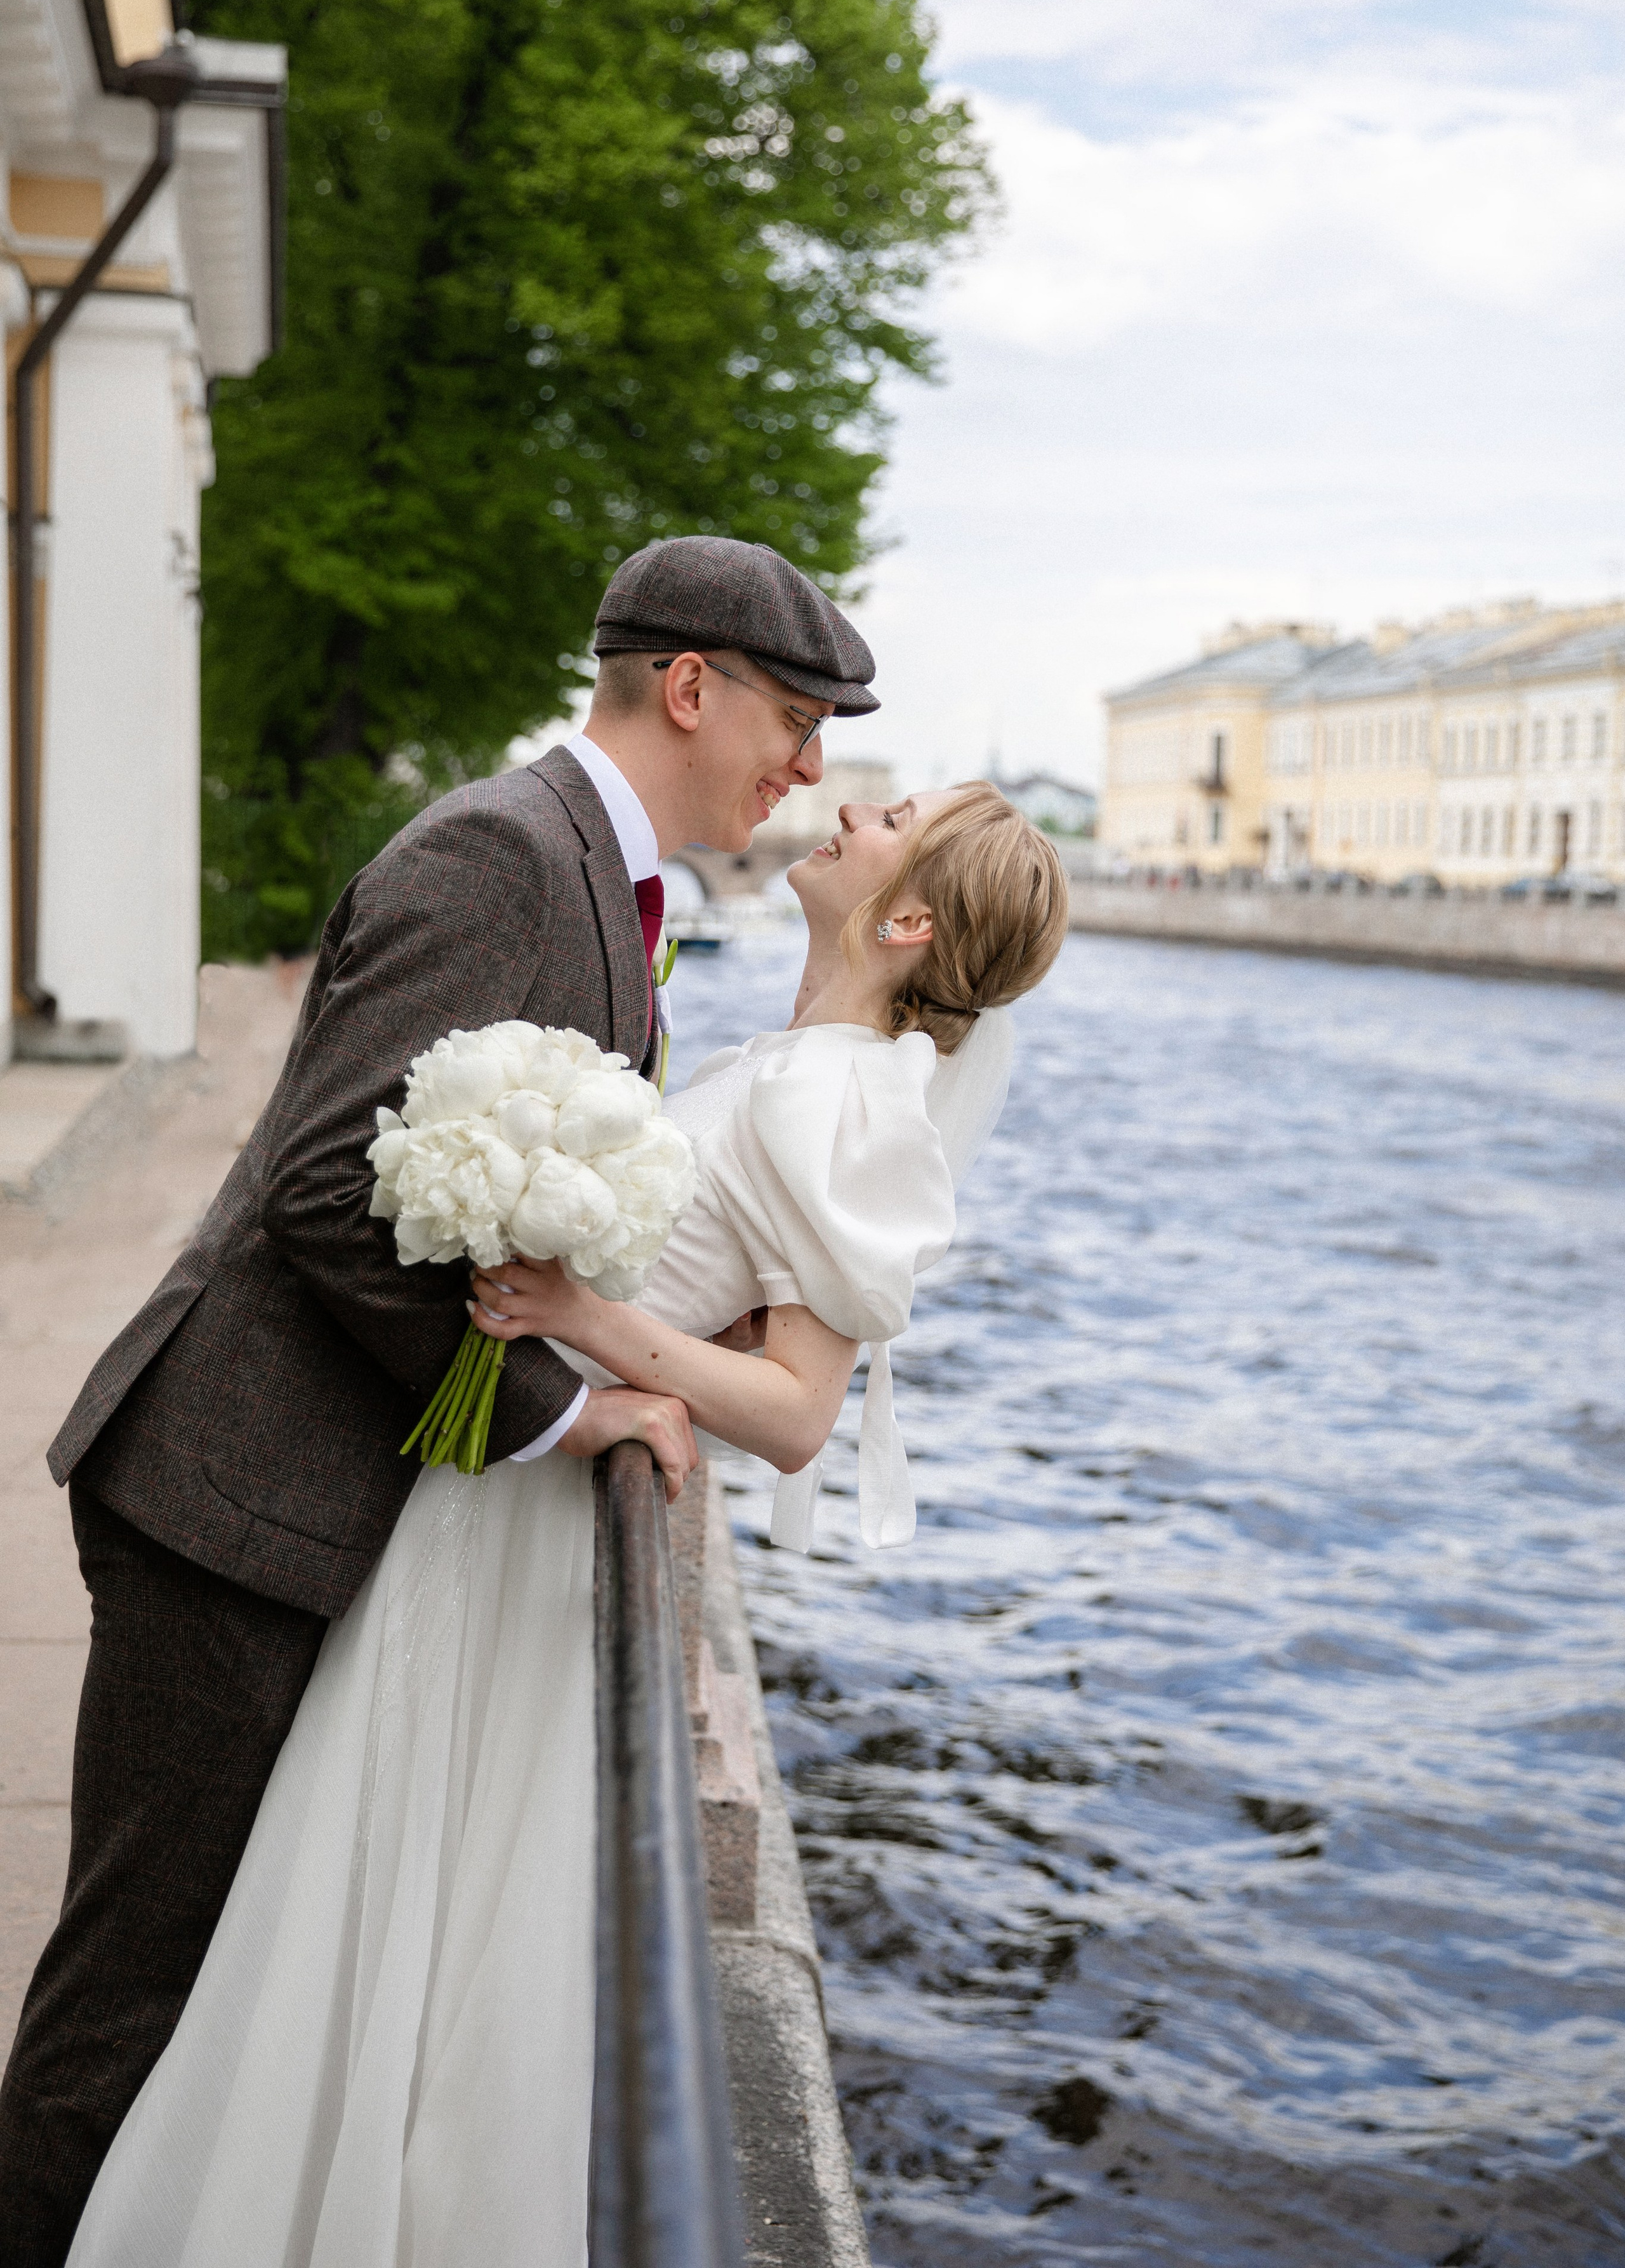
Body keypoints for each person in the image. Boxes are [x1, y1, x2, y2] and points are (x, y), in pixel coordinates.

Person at [0, 534, 879, 2268]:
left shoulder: (593, 874)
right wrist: (564, 1409)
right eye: (796, 718)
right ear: (687, 688)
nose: (807, 767)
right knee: (128, 2011)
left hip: (292, 1503)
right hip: (232, 1501)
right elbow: (330, 1189)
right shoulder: (502, 852)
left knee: (191, 2001)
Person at [59, 769, 1068, 2266]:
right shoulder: (800, 1062)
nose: (851, 806)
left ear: (909, 920)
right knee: (359, 1886)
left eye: (890, 819)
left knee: (394, 1891)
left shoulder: (847, 1098)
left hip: (517, 1525)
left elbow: (797, 1411)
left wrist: (588, 1322)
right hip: (483, 1492)